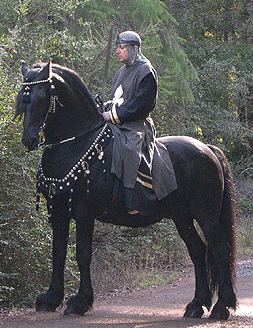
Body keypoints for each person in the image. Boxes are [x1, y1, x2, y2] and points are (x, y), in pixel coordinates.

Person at [102, 31, 177, 215]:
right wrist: (104, 108)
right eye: (117, 47)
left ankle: (135, 199)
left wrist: (113, 115)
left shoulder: (146, 71)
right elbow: (119, 99)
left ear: (133, 49)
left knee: (130, 149)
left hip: (137, 126)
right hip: (119, 123)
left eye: (122, 47)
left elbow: (141, 106)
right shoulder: (121, 72)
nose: (117, 51)